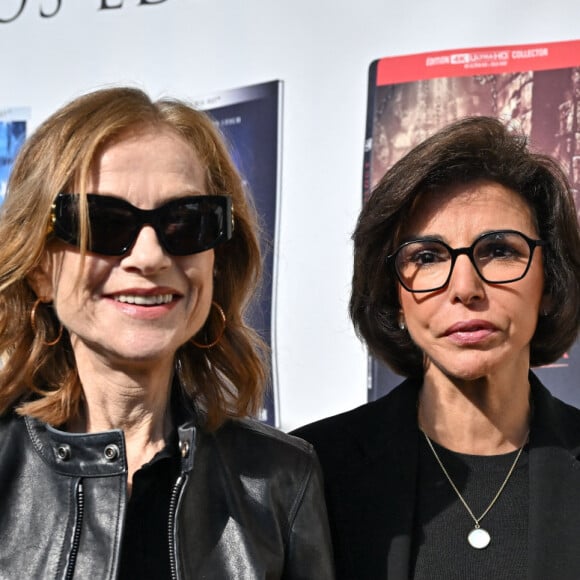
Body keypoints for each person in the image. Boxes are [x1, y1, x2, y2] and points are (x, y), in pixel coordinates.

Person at [0, 86, 334, 579]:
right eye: (105, 223)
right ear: (40, 269)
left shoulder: (280, 479)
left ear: (216, 262)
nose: (150, 256)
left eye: (185, 223)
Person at [293, 116, 580, 580]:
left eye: (500, 250)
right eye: (427, 257)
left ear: (550, 282)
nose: (465, 288)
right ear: (395, 296)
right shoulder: (310, 469)